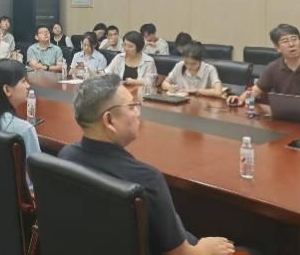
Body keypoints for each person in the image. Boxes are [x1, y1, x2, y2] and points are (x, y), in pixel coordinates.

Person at [59, 75, 236, 255]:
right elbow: (181, 253)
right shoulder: (146, 179)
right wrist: (203, 249)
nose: (137, 113)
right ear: (109, 120)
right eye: (132, 106)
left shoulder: (66, 156)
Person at [227, 24, 300, 117]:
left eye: (294, 39)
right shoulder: (273, 67)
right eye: (285, 41)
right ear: (277, 48)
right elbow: (256, 90)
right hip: (284, 118)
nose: (291, 44)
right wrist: (240, 99)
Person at [0, 59, 41, 160]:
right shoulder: (25, 130)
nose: (28, 86)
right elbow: (36, 168)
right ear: (7, 89)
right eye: (23, 81)